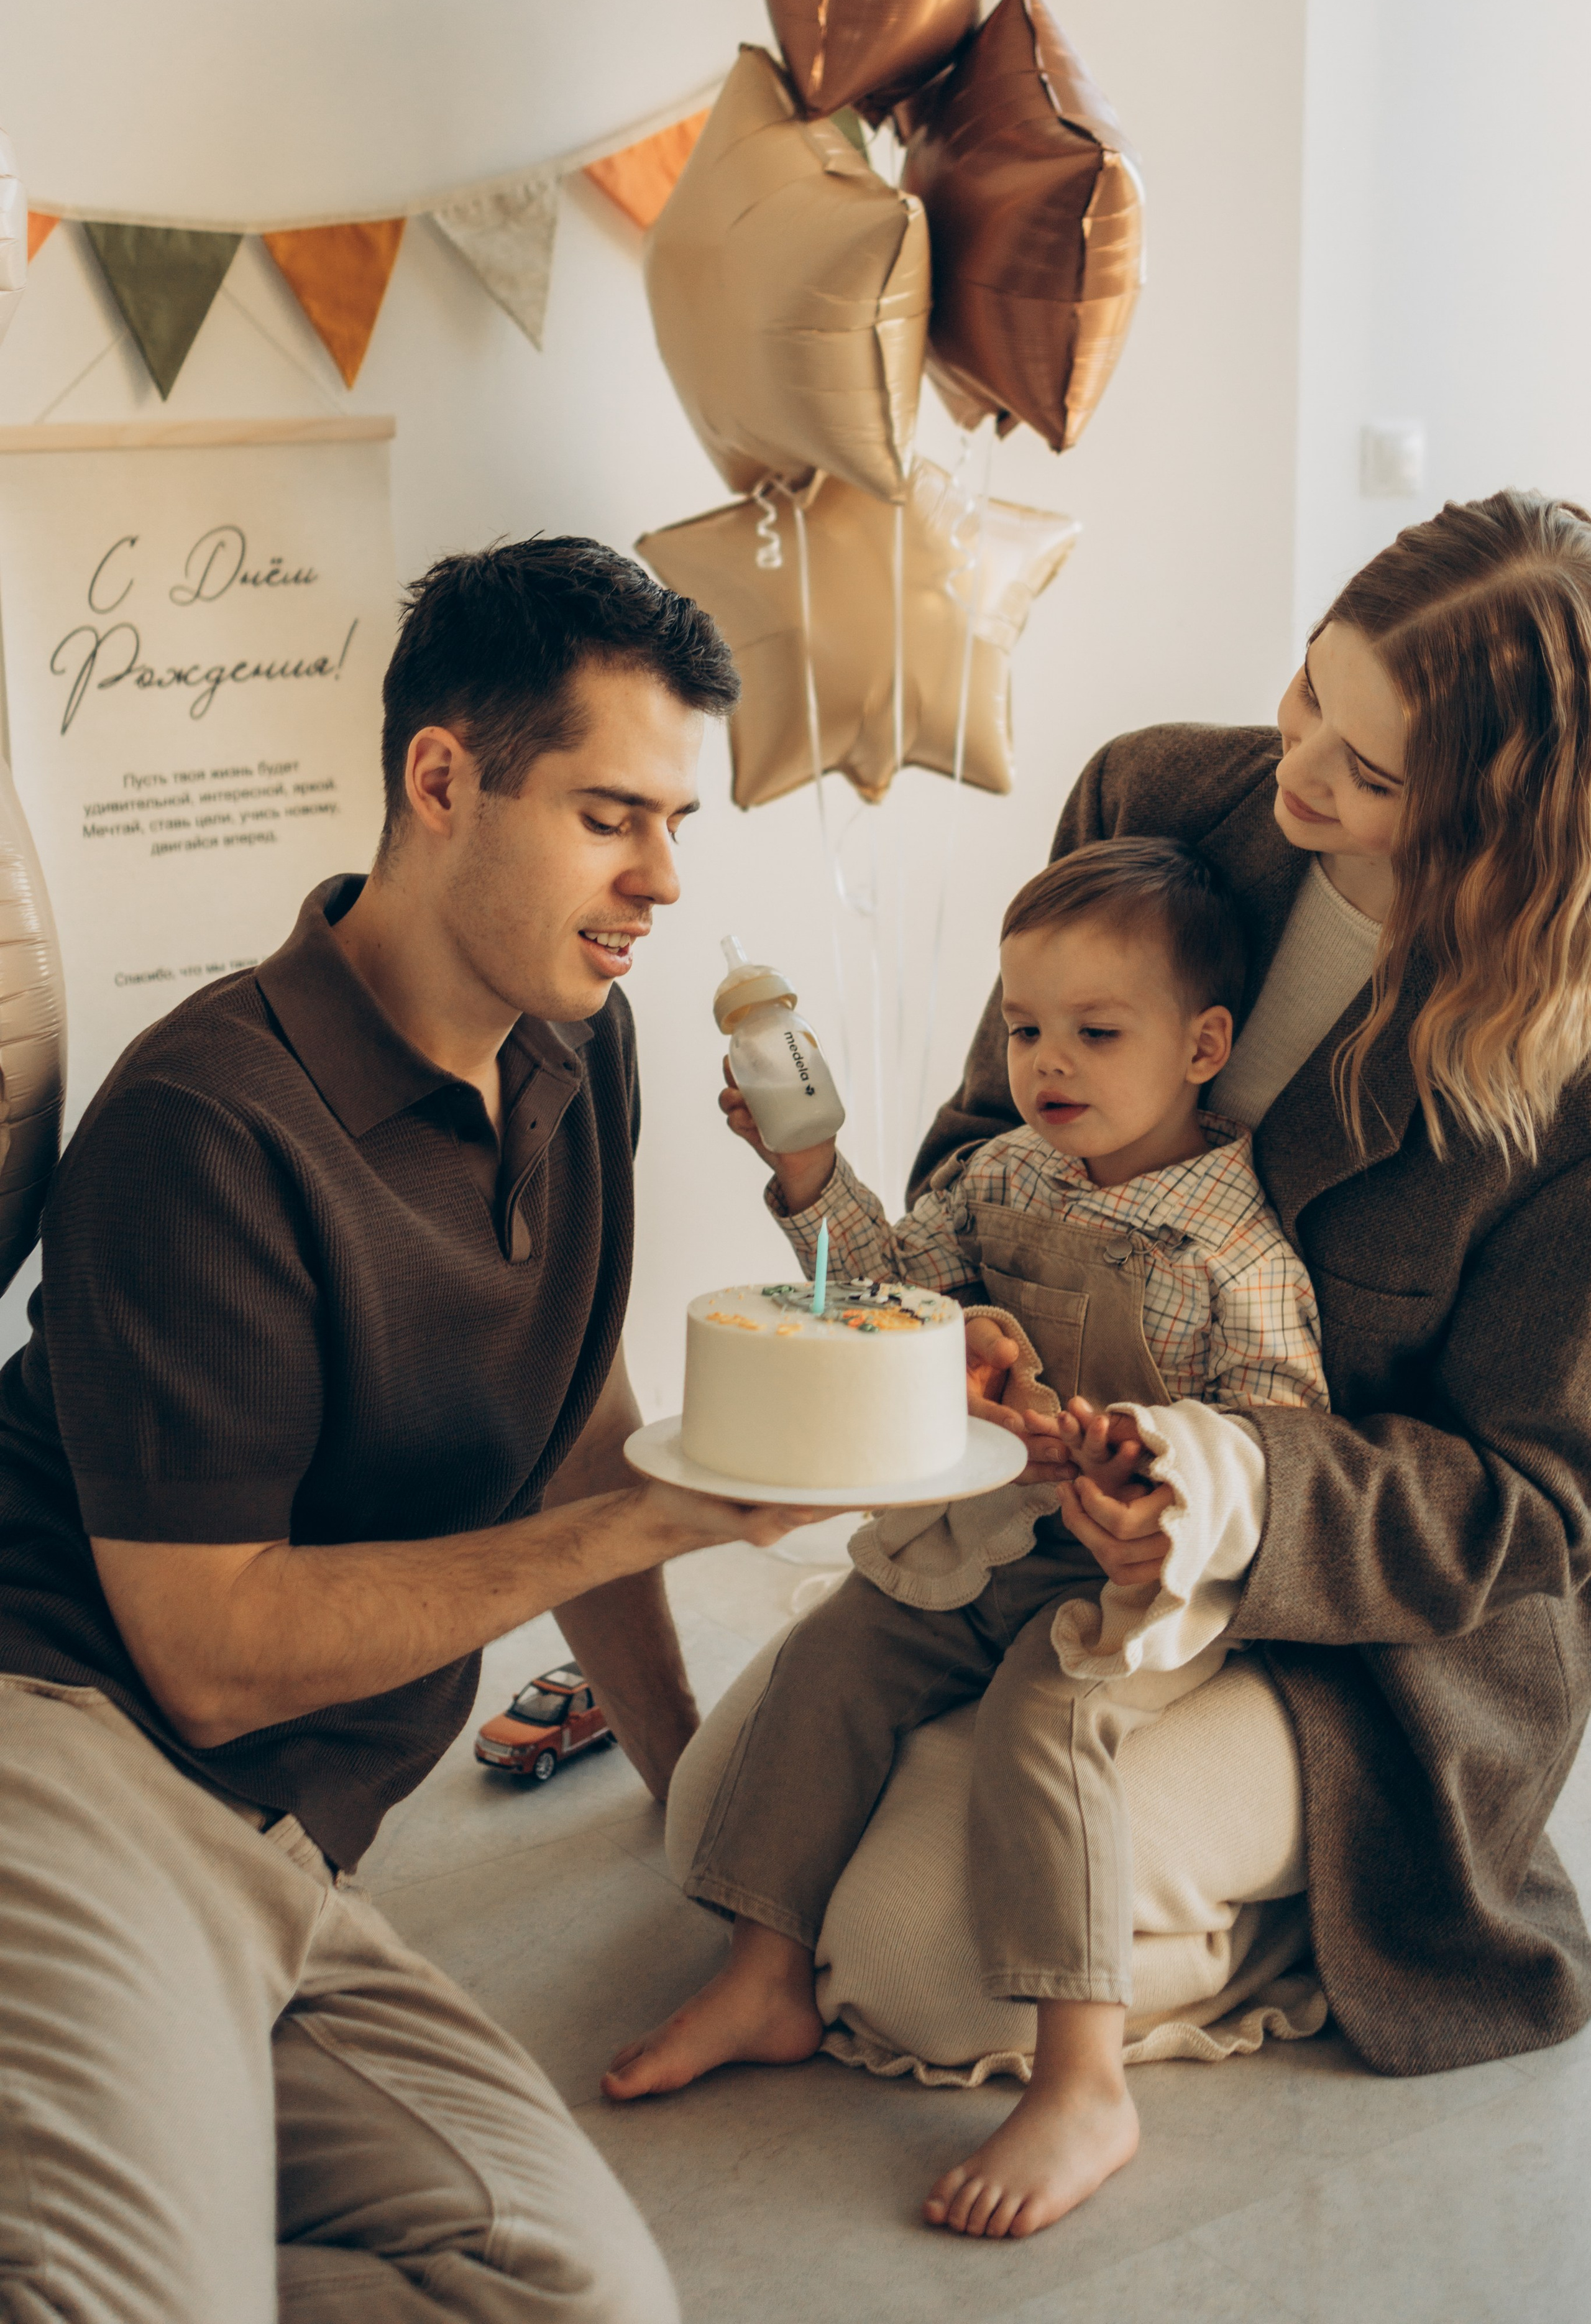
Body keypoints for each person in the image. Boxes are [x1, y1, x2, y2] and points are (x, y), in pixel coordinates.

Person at [661, 489, 1591, 2236]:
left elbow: (1537, 1510)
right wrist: (966, 1341)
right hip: (1033, 1526)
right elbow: (970, 1151)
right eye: (1313, 690)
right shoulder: (1161, 803)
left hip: (1359, 1622)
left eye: (1374, 775)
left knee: (916, 1966)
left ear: (1502, 824)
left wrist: (1220, 1494)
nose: (1300, 771)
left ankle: (1307, 1904)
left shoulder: (1563, 1064)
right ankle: (1078, 1847)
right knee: (714, 1819)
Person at [0, 538, 832, 2324]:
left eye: (677, 823)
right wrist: (658, 1523)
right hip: (62, 1767)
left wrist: (684, 1778)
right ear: (441, 780)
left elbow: (577, 1400)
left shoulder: (568, 1037)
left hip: (291, 1851)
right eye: (614, 814)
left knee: (579, 2296)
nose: (662, 880)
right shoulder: (204, 1129)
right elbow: (212, 1659)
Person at [603, 838, 1329, 2236]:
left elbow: (1283, 1443)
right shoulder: (1002, 1176)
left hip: (1138, 1579)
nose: (1045, 1060)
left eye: (1094, 1032)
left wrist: (1155, 1475)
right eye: (1022, 1028)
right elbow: (876, 1297)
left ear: (1203, 1044)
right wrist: (808, 1166)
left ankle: (1077, 2079)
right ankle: (764, 1968)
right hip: (985, 1535)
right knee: (832, 1657)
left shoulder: (1236, 1253)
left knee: (1044, 1724)